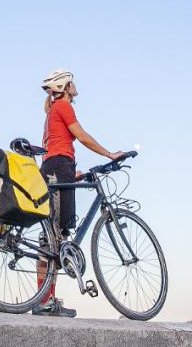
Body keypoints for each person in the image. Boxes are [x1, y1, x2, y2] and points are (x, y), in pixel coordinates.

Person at [33, 69, 125, 317]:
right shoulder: (63, 107)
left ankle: (47, 300)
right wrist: (109, 154)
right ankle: (43, 302)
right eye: (72, 82)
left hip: (59, 168)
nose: (75, 86)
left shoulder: (53, 111)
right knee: (53, 237)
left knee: (57, 235)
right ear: (65, 86)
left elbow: (55, 146)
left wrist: (70, 173)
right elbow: (81, 137)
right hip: (58, 167)